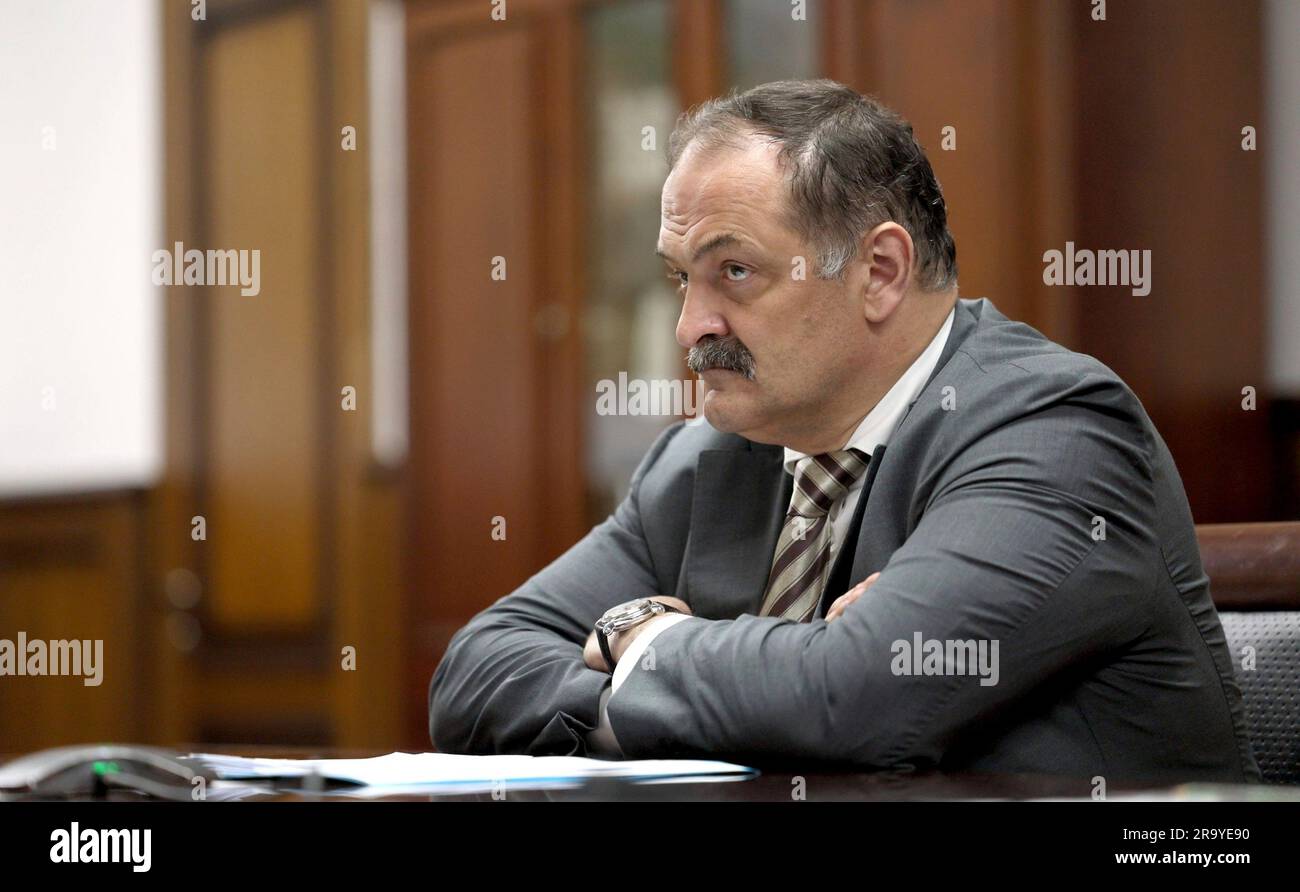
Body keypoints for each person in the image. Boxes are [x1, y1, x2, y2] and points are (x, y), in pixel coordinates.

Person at [429, 79, 1259, 782]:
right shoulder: (707, 460)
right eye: (681, 279)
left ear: (879, 272)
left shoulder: (1055, 432)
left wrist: (642, 640)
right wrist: (669, 683)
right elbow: (476, 672)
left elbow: (857, 699)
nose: (690, 328)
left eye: (736, 272)